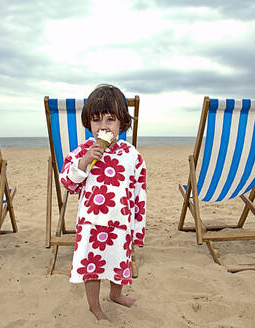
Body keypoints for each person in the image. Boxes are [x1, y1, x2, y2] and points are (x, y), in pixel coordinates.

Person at [59, 84, 146, 321]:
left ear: (122, 123)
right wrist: (85, 162)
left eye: (110, 119)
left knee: (119, 261)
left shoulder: (132, 155)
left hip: (121, 223)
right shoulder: (83, 151)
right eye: (97, 120)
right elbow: (68, 182)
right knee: (93, 266)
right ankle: (94, 306)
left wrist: (138, 228)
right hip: (92, 223)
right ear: (89, 123)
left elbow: (140, 193)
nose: (104, 126)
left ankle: (116, 295)